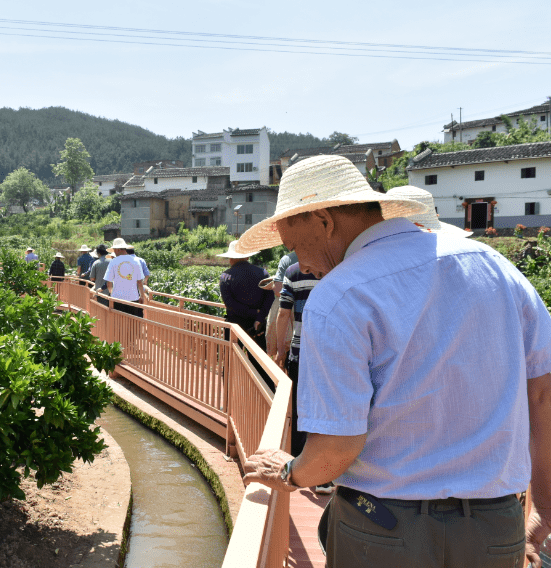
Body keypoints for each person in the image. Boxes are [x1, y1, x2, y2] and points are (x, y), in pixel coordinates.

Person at [236, 154, 551, 568]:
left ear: (325, 221)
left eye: (295, 247)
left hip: (384, 528)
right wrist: (543, 510)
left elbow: (335, 449)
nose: (302, 265)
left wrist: (289, 473)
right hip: (495, 526)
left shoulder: (340, 296)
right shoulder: (495, 266)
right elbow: (543, 394)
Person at [274, 261, 325, 493]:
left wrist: (279, 352)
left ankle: (298, 469)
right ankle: (325, 476)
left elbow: (284, 311)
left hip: (300, 350)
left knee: (298, 409)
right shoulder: (337, 264)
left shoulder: (292, 272)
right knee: (326, 408)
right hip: (330, 351)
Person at [217, 240, 272, 353]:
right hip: (258, 326)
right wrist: (259, 317)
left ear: (231, 258)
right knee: (258, 365)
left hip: (235, 327)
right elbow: (270, 299)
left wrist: (254, 313)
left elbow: (229, 303)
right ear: (247, 257)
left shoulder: (226, 276)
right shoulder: (263, 273)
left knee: (230, 362)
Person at [104, 238, 144, 318]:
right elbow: (140, 281)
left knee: (119, 324)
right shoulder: (136, 261)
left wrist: (112, 294)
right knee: (133, 323)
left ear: (118, 249)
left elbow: (109, 282)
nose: (114, 252)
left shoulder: (113, 261)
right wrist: (142, 296)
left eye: (114, 250)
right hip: (133, 298)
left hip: (117, 299)